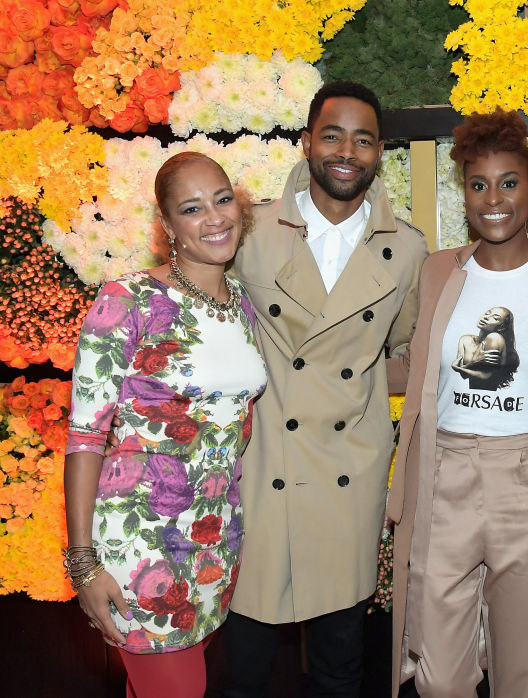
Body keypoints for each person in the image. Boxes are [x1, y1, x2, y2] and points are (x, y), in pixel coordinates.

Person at [221, 81, 428, 696]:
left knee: (341, 668)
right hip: (261, 471)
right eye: (332, 135)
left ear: (379, 153)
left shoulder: (406, 250)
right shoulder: (249, 230)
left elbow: (403, 349)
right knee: (245, 668)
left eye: (363, 140)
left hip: (348, 474)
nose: (346, 150)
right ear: (307, 141)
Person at [386, 109, 528, 698]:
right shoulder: (436, 272)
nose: (494, 198)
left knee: (527, 668)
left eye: (509, 183)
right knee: (437, 672)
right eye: (479, 185)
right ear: (465, 194)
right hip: (444, 477)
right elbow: (409, 361)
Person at [64, 152, 267, 698]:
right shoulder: (126, 300)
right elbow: (85, 438)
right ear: (167, 226)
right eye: (192, 208)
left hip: (214, 542)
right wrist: (83, 564)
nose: (215, 218)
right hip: (140, 547)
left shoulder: (242, 303)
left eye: (223, 199)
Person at [451, 306, 520, 389]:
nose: (486, 317)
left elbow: (488, 377)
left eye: (495, 318)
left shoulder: (495, 338)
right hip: (471, 398)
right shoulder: (465, 339)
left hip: (490, 399)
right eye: (487, 313)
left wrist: (458, 368)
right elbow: (464, 375)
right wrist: (473, 362)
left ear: (501, 327)